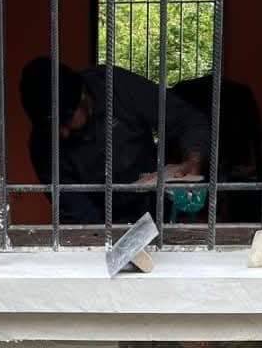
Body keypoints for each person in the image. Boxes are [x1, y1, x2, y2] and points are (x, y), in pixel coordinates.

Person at [19, 57, 210, 226]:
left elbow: (188, 120)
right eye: (51, 127)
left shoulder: (116, 86)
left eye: (65, 120)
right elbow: (80, 216)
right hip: (103, 224)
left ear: (83, 96)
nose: (62, 133)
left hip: (156, 206)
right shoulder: (43, 146)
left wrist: (193, 161)